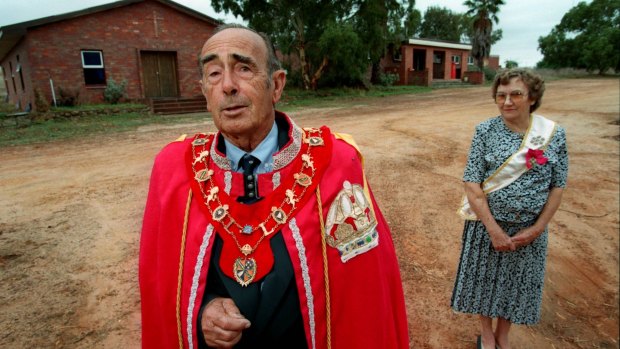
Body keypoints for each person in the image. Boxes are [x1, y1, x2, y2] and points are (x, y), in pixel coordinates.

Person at [139, 24, 409, 349]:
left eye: (243, 68)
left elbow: (366, 291)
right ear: (204, 91)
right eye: (213, 73)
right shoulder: (174, 170)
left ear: (276, 85)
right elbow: (164, 281)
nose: (227, 85)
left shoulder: (336, 162)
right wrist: (202, 312)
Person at [452, 68, 568, 349]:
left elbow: (558, 185)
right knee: (483, 282)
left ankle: (503, 334)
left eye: (516, 94)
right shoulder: (485, 131)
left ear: (532, 98)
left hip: (529, 230)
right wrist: (493, 230)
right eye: (501, 95)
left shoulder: (554, 135)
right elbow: (472, 183)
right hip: (487, 226)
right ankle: (487, 334)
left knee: (515, 285)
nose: (507, 101)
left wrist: (537, 229)